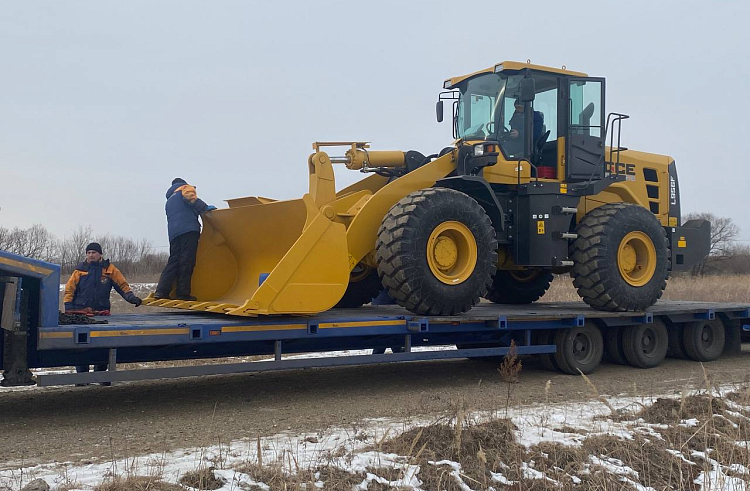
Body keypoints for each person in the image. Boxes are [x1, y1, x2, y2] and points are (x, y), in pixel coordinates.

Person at [63, 241, 142, 383]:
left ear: (100, 254)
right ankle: (82, 379)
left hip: (102, 314)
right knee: (81, 347)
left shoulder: (109, 270)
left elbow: (122, 285)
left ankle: (101, 377)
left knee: (102, 345)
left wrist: (131, 298)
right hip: (81, 315)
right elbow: (69, 290)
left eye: (93, 252)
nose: (91, 255)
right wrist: (68, 308)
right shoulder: (79, 271)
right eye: (88, 253)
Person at [154, 178, 216, 301]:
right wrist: (204, 207)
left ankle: (161, 291)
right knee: (187, 261)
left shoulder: (169, 200)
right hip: (189, 229)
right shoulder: (185, 188)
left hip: (173, 234)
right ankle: (182, 293)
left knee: (174, 261)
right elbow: (190, 197)